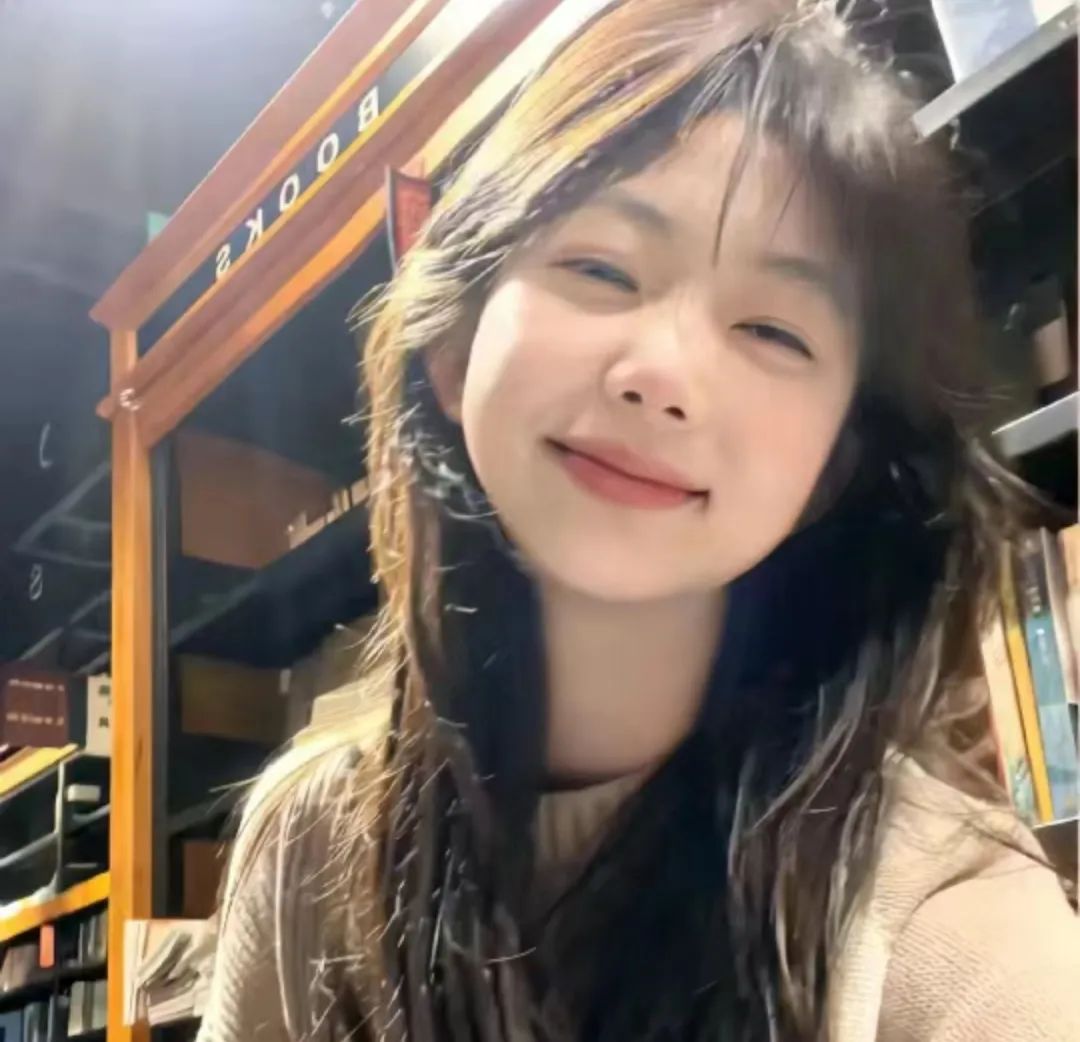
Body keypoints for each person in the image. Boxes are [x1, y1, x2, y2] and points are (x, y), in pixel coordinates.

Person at [195, 1, 1080, 1040]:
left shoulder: (951, 928)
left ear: (836, 463)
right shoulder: (310, 842)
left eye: (773, 330)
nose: (661, 375)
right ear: (454, 345)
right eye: (602, 269)